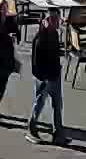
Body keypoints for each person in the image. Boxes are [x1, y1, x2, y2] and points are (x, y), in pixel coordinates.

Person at [27, 10, 66, 145]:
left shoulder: (54, 34)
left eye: (56, 19)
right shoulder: (39, 39)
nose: (54, 21)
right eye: (50, 19)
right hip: (44, 78)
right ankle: (31, 128)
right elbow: (36, 63)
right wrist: (43, 79)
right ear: (44, 21)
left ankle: (58, 133)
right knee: (39, 103)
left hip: (55, 75)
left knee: (57, 105)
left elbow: (55, 54)